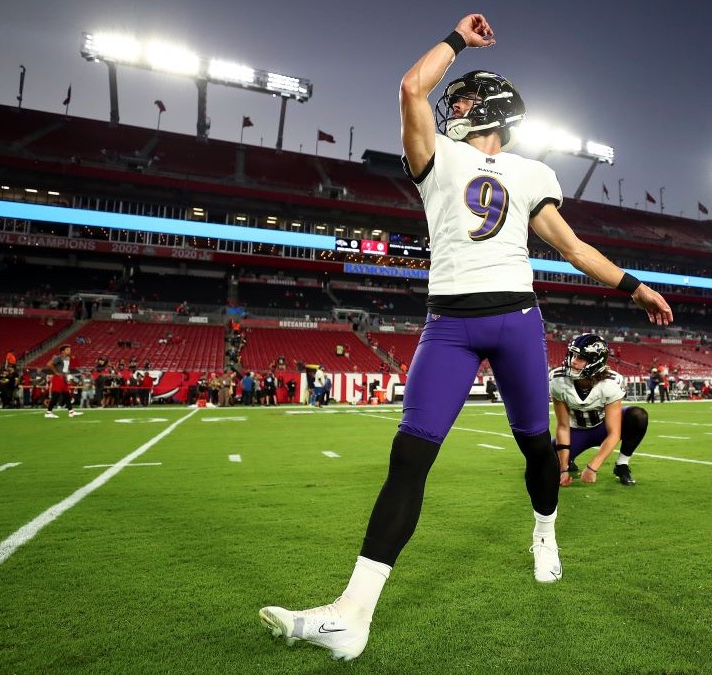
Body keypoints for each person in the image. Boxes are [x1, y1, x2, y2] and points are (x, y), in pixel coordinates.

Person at [259, 13, 672, 662]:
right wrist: (456, 40)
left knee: (539, 449)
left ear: (497, 109)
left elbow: (570, 245)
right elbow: (409, 88)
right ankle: (352, 613)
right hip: (447, 324)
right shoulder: (436, 155)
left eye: (468, 99)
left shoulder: (532, 172)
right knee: (409, 458)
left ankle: (544, 528)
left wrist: (633, 286)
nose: (456, 106)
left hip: (515, 320)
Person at [550, 334, 648, 488]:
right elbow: (563, 426)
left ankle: (621, 465)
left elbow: (614, 433)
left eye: (581, 358)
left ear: (596, 361)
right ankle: (569, 460)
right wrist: (563, 468)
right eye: (573, 355)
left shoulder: (610, 383)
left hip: (602, 428)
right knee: (542, 466)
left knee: (638, 416)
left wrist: (592, 467)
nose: (574, 361)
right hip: (576, 431)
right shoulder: (558, 380)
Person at [44, 344, 83, 419]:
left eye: (69, 349)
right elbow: (49, 364)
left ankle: (71, 412)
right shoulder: (58, 358)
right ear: (62, 351)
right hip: (58, 378)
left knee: (67, 395)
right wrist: (56, 373)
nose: (69, 351)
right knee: (55, 396)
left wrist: (66, 378)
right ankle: (48, 412)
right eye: (67, 350)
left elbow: (65, 369)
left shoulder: (68, 358)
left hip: (64, 378)